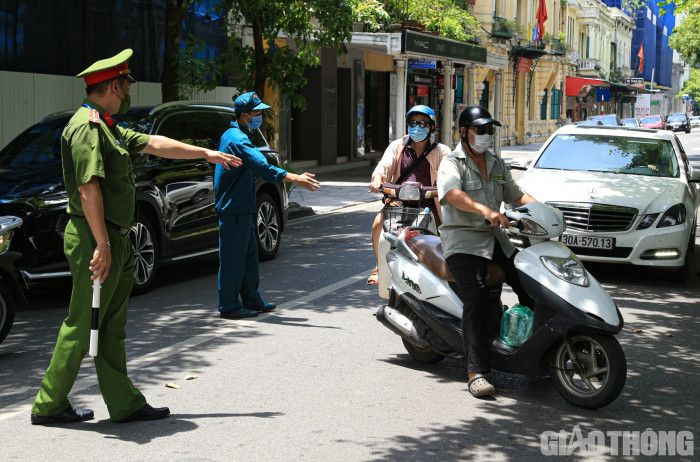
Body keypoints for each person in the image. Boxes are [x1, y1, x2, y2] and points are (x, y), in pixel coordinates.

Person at [30, 49, 243, 425]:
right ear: (114, 85)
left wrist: (207, 153)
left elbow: (154, 143)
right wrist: (103, 244)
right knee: (83, 322)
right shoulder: (87, 128)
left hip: (114, 235)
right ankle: (49, 404)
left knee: (111, 324)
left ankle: (123, 402)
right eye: (126, 84)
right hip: (97, 235)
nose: (128, 90)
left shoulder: (107, 125)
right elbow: (88, 190)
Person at [436, 106, 536, 398]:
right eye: (480, 130)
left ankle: (535, 350)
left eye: (490, 130)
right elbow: (453, 194)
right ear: (464, 133)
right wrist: (484, 210)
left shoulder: (495, 162)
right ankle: (475, 371)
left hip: (496, 239)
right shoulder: (451, 162)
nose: (486, 136)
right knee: (477, 296)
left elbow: (517, 195)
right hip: (462, 240)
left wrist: (544, 212)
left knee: (529, 283)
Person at [214, 92, 320, 319]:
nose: (260, 117)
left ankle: (251, 299)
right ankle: (229, 306)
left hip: (243, 207)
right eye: (256, 113)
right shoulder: (236, 139)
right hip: (233, 208)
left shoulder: (240, 133)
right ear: (244, 116)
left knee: (249, 256)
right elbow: (263, 167)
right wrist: (295, 178)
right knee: (233, 259)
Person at [367, 105, 452, 285]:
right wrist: (377, 179)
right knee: (377, 224)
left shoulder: (442, 151)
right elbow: (383, 167)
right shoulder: (397, 146)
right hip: (399, 202)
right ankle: (378, 266)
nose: (417, 127)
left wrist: (447, 187)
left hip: (430, 205)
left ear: (432, 127)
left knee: (446, 236)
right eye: (413, 123)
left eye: (423, 123)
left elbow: (450, 175)